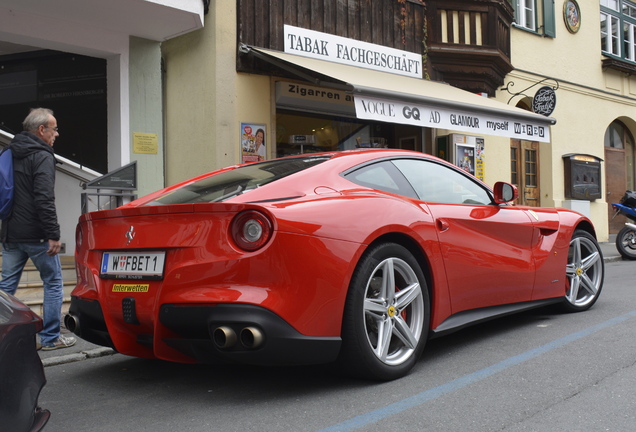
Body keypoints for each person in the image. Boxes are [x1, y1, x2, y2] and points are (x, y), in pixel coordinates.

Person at [0, 108, 76, 350]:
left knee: (5, 288)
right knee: (53, 282)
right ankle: (51, 339)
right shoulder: (43, 155)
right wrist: (53, 233)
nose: (57, 134)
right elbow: (44, 198)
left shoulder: (9, 152)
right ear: (41, 130)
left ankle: (3, 336)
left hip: (11, 232)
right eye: (54, 129)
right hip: (36, 234)